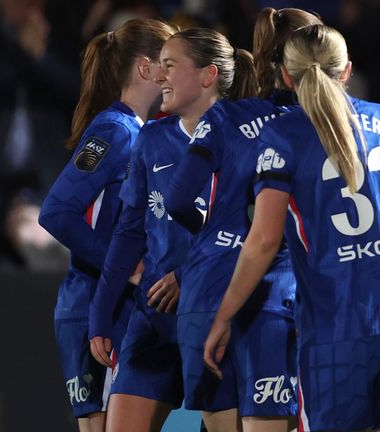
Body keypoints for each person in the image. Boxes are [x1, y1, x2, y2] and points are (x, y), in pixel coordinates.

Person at [202, 24, 380, 431]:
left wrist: (223, 315)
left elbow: (263, 240)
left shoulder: (284, 132)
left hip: (336, 329)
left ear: (286, 77)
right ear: (347, 70)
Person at [88, 28, 256, 432]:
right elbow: (130, 231)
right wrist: (101, 312)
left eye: (170, 66)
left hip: (217, 316)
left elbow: (256, 233)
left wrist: (189, 275)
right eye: (158, 66)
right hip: (155, 319)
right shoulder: (152, 138)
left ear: (207, 75)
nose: (159, 77)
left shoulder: (247, 139)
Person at [164, 8, 322, 432]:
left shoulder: (222, 116)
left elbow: (178, 198)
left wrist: (216, 234)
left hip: (204, 292)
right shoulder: (316, 125)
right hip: (274, 292)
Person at [38, 18, 175, 432]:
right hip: (92, 308)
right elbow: (56, 212)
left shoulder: (140, 131)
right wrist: (126, 268)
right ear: (146, 69)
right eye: (169, 63)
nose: (176, 75)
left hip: (116, 307)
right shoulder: (114, 131)